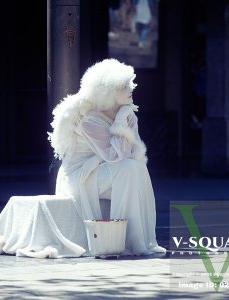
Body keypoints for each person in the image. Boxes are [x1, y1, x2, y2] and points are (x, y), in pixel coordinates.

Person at [48, 58, 166, 256]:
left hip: (102, 169)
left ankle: (141, 241)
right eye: (123, 86)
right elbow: (115, 156)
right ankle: (126, 241)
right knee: (127, 169)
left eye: (130, 83)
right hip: (80, 176)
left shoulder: (127, 113)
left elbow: (133, 154)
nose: (131, 88)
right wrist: (121, 121)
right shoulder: (89, 119)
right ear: (107, 92)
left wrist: (126, 121)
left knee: (136, 167)